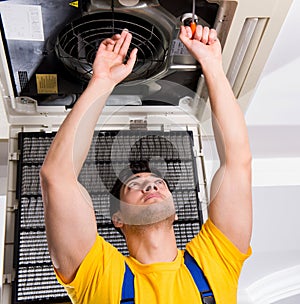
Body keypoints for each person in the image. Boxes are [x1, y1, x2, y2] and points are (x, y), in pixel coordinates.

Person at [40, 25, 252, 304]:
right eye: (135, 185)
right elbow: (57, 178)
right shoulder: (98, 274)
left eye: (158, 183)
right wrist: (101, 82)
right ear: (118, 220)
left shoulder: (214, 259)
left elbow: (238, 161)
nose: (150, 184)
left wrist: (212, 65)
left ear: (175, 212)